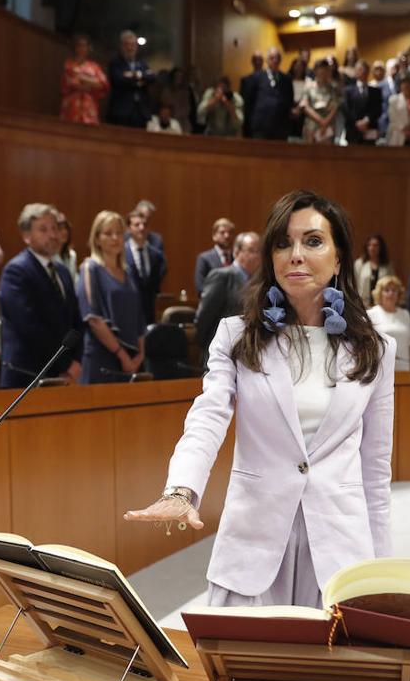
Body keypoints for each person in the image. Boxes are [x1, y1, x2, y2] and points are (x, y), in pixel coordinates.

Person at [124, 190, 395, 609]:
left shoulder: (376, 349)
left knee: (329, 674)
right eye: (283, 243)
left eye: (313, 241)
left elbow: (375, 468)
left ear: (339, 257)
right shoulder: (236, 336)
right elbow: (208, 416)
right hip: (253, 545)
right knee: (241, 669)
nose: (295, 255)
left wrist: (380, 571)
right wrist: (181, 490)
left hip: (339, 550)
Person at [0, 203, 82, 388]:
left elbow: (75, 321)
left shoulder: (62, 271)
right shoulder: (16, 271)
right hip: (26, 375)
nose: (52, 235)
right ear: (26, 236)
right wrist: (66, 363)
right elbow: (30, 327)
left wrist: (77, 361)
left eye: (55, 228)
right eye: (43, 229)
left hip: (63, 374)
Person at [76, 210, 146, 384]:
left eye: (119, 233)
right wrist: (122, 356)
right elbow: (93, 319)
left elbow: (139, 316)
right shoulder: (89, 268)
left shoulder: (128, 271)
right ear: (97, 238)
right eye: (108, 233)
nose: (115, 238)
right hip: (102, 358)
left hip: (132, 359)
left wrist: (140, 353)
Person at [195, 231, 261, 361]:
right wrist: (208, 347)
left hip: (247, 354)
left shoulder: (258, 282)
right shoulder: (222, 276)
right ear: (236, 252)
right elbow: (204, 317)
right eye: (252, 250)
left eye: (259, 251)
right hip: (221, 352)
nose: (257, 256)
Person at [125, 208, 166, 324]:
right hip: (127, 312)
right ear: (129, 228)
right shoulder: (121, 253)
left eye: (144, 224)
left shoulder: (156, 255)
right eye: (137, 225)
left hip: (149, 315)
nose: (142, 228)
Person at [244, 47, 294, 141]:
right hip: (261, 126)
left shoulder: (287, 79)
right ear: (267, 60)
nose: (275, 60)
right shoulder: (256, 77)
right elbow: (249, 103)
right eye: (272, 58)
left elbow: (289, 101)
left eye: (277, 58)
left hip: (281, 127)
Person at [107, 30, 153, 129]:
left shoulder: (142, 63)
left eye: (133, 45)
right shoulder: (116, 63)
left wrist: (137, 75)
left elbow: (151, 77)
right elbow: (118, 80)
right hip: (121, 112)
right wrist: (139, 81)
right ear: (122, 46)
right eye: (127, 45)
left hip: (140, 112)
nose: (130, 48)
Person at [60, 34, 109, 126]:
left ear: (88, 48)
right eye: (79, 45)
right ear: (75, 48)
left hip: (89, 106)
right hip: (72, 106)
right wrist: (91, 81)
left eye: (84, 46)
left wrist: (84, 79)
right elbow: (72, 82)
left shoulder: (94, 67)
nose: (82, 48)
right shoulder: (69, 64)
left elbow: (103, 84)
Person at [369, 275, 410, 372]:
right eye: (387, 290)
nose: (391, 293)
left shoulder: (405, 314)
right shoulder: (371, 314)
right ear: (379, 293)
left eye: (394, 290)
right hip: (380, 368)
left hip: (404, 368)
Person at [301, 59, 343, 145]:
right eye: (320, 70)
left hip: (328, 126)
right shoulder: (309, 86)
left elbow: (335, 106)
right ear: (315, 71)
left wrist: (325, 122)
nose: (322, 73)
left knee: (327, 155)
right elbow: (305, 106)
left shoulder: (333, 88)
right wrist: (320, 121)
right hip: (311, 125)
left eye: (325, 70)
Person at [194, 217, 236, 296]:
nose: (227, 236)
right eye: (222, 232)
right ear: (214, 236)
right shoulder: (204, 258)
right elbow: (200, 287)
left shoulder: (237, 259)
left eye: (230, 232)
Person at [344, 60, 380, 145]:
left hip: (370, 129)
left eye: (365, 69)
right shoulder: (348, 91)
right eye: (360, 69)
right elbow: (346, 109)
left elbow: (378, 109)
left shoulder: (376, 91)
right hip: (353, 130)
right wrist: (357, 123)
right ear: (355, 71)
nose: (363, 71)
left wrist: (366, 120)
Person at [353, 233, 393, 303]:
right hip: (363, 304)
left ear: (381, 248)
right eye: (369, 245)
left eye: (375, 245)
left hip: (381, 304)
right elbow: (354, 284)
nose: (372, 248)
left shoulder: (387, 266)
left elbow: (391, 284)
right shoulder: (359, 264)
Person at [386, 76, 410, 147]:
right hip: (398, 135)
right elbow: (393, 117)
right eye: (405, 86)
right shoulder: (394, 100)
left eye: (409, 85)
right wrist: (404, 128)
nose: (407, 88)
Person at [160, 67, 197, 134]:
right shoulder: (166, 91)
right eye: (177, 76)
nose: (179, 79)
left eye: (181, 77)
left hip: (183, 124)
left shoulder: (186, 92)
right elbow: (164, 106)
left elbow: (188, 109)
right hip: (169, 123)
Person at [240, 51, 264, 138]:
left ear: (263, 61)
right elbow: (242, 101)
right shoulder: (245, 80)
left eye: (259, 60)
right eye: (255, 60)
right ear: (252, 62)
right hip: (249, 121)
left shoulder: (269, 80)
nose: (257, 62)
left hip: (264, 121)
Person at [56, 213, 78, 286]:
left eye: (66, 228)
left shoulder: (72, 255)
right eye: (60, 228)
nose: (64, 232)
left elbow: (74, 281)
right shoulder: (48, 257)